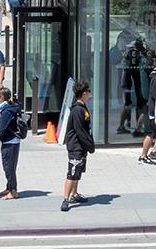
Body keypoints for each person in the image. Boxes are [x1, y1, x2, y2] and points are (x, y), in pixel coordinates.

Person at [60, 80, 95, 212]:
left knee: (78, 171)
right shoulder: (77, 110)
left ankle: (74, 194)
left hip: (81, 147)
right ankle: (66, 198)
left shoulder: (82, 107)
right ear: (84, 93)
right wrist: (89, 144)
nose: (89, 93)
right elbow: (80, 130)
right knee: (72, 172)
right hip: (76, 146)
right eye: (88, 91)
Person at [0, 87, 23, 200]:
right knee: (9, 166)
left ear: (2, 97)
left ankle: (13, 191)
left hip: (10, 141)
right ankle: (9, 187)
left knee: (9, 167)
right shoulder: (11, 108)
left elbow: (2, 128)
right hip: (12, 141)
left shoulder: (6, 111)